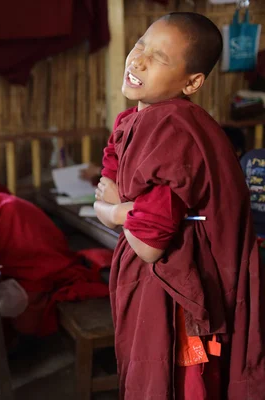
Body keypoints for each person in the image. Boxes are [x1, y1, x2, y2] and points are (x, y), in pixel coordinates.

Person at [93, 13, 265, 399]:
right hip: (151, 285)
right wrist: (121, 209)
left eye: (159, 57)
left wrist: (114, 212)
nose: (138, 59)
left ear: (192, 82)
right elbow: (110, 182)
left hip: (174, 299)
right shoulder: (132, 121)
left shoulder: (173, 128)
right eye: (140, 44)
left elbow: (149, 243)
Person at [0, 172, 109, 338]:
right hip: (24, 273)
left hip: (49, 270)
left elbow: (42, 259)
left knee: (4, 306)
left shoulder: (9, 209)